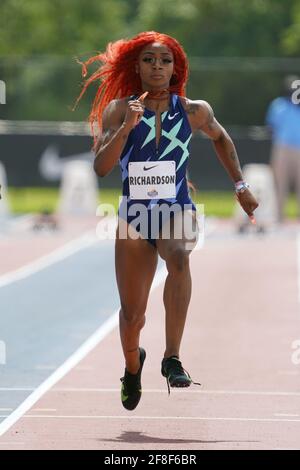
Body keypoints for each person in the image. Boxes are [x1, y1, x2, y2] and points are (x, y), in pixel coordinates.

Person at [77, 31, 258, 411]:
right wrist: (127, 127)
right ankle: (132, 366)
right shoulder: (118, 110)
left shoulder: (193, 110)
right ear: (137, 67)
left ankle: (171, 357)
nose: (157, 66)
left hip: (177, 207)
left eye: (165, 60)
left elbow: (222, 138)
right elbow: (101, 169)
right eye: (149, 60)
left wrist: (240, 186)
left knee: (179, 257)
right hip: (134, 216)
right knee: (132, 315)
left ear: (176, 67)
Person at [266, 75, 300, 221]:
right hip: (282, 147)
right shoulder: (278, 105)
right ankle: (280, 217)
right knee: (280, 183)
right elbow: (271, 127)